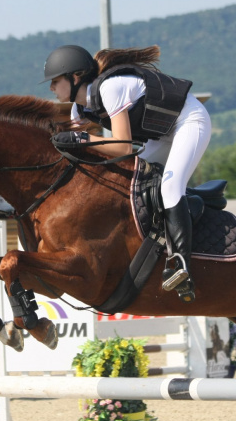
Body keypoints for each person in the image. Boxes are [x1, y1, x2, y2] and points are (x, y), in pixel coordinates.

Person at [42, 44, 211, 302]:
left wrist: (83, 138)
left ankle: (181, 263)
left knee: (169, 187)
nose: (51, 88)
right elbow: (89, 147)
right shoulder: (79, 108)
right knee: (128, 181)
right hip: (162, 135)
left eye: (55, 81)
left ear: (75, 77)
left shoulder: (111, 88)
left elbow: (122, 146)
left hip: (189, 121)